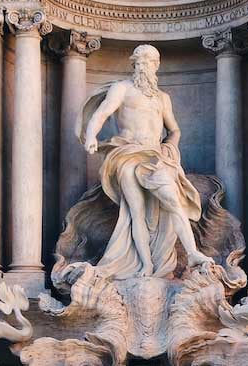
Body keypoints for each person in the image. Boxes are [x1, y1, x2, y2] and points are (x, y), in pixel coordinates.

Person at [76, 44, 213, 279]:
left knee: (173, 200)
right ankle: (146, 265)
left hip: (155, 158)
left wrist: (169, 146)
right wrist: (90, 136)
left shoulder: (162, 99)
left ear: (156, 66)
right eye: (139, 62)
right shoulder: (122, 89)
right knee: (134, 212)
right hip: (127, 154)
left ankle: (192, 253)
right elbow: (101, 113)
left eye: (148, 62)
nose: (143, 66)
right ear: (134, 65)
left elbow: (175, 130)